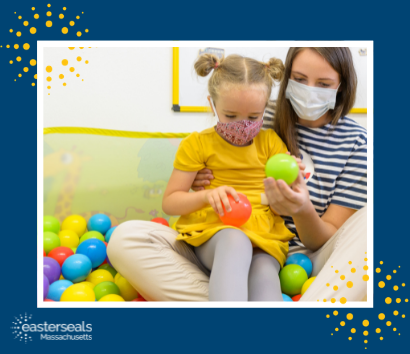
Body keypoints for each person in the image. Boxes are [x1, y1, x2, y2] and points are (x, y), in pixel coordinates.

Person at [108, 47, 367, 302]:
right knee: (126, 238)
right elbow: (204, 161)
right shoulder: (258, 111)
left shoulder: (352, 142)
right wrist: (202, 185)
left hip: (291, 249)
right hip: (216, 235)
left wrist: (300, 207)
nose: (244, 125)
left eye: (323, 83)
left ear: (342, 85)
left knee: (374, 221)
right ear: (286, 78)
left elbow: (324, 229)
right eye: (299, 79)